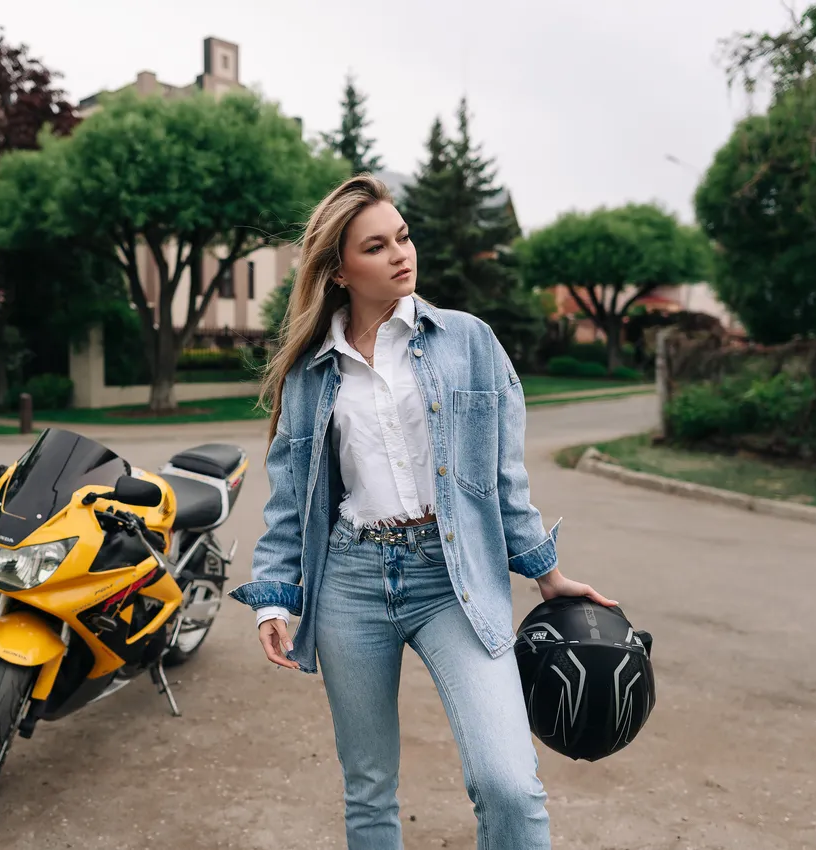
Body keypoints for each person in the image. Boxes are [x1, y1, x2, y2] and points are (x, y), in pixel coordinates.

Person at [227, 174, 617, 849]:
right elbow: (291, 498)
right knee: (370, 789)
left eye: (403, 236)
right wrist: (274, 598)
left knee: (509, 784)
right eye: (376, 247)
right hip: (351, 580)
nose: (401, 254)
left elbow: (503, 477)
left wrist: (546, 575)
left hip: (453, 579)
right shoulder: (311, 373)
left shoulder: (468, 341)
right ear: (340, 271)